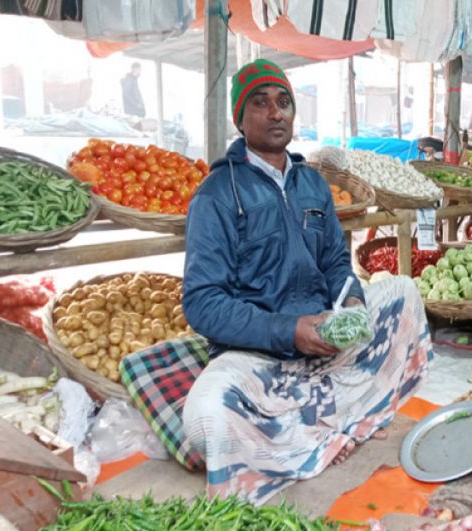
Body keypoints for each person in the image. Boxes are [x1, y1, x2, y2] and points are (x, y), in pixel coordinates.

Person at [121, 59, 432, 505]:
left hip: (327, 344)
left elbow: (336, 265)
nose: (276, 112)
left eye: (284, 101)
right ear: (240, 118)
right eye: (261, 103)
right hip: (257, 358)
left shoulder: (312, 184)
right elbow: (203, 303)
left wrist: (351, 307)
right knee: (207, 419)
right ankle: (326, 423)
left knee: (403, 293)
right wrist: (289, 331)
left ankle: (312, 423)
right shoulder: (216, 193)